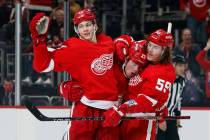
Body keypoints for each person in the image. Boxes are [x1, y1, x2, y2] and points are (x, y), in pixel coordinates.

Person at [29, 8, 147, 140]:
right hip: (85, 107)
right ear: (76, 30)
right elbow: (42, 65)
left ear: (95, 26)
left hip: (111, 110)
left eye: (88, 25)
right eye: (81, 26)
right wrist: (39, 39)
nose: (85, 29)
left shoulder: (107, 42)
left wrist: (125, 40)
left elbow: (136, 46)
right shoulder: (73, 48)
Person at [103, 28, 176, 140]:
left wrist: (122, 108)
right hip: (125, 120)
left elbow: (147, 101)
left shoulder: (164, 72)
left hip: (142, 123)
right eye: (150, 45)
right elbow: (130, 41)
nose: (150, 50)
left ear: (164, 51)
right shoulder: (148, 56)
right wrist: (121, 41)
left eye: (155, 47)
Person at [156, 54, 186, 140]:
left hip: (171, 118)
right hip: (159, 118)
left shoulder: (182, 81)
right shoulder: (164, 79)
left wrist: (178, 117)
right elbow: (157, 99)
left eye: (183, 66)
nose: (182, 69)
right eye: (180, 65)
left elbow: (178, 100)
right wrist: (159, 118)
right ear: (173, 65)